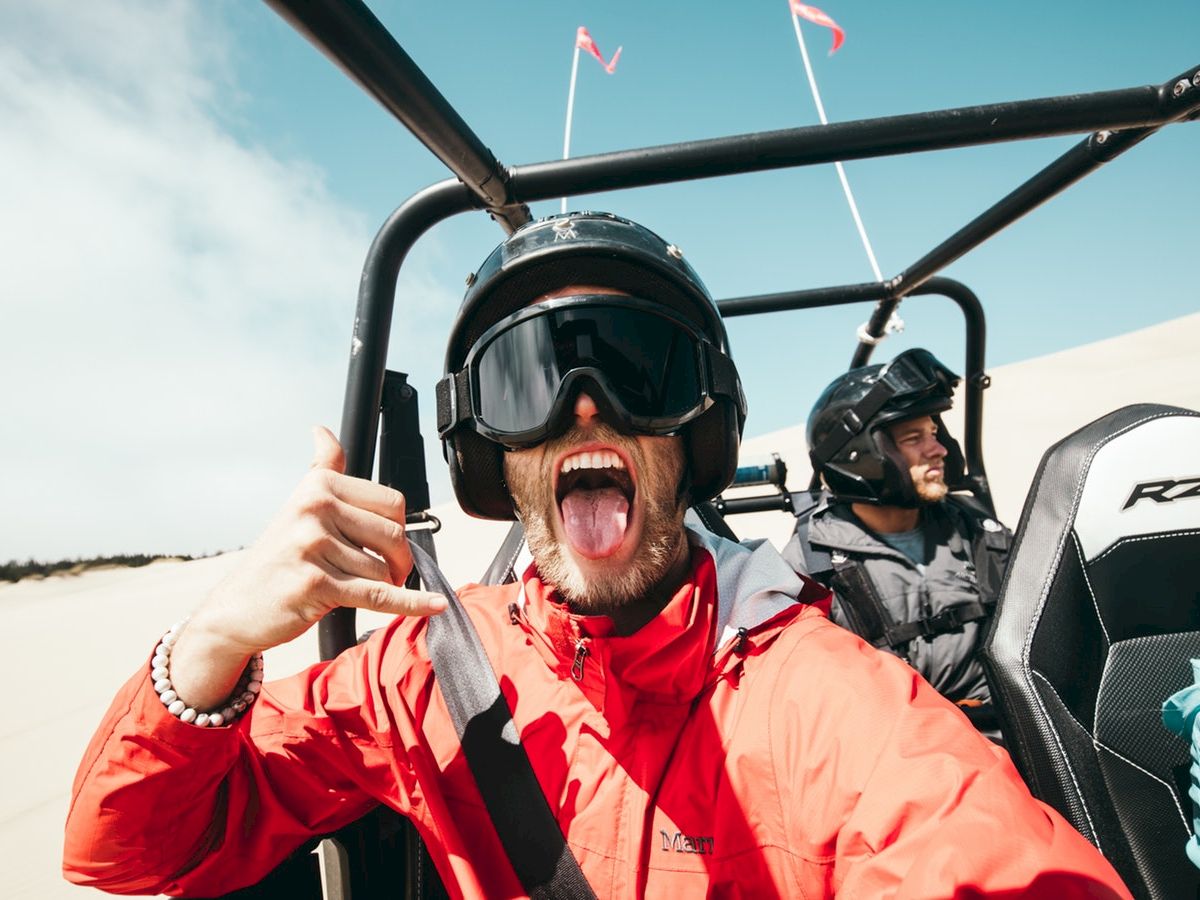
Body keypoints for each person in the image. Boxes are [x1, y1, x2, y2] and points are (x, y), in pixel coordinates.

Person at [64, 213, 1127, 898]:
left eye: (636, 369)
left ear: (692, 434)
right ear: (491, 454)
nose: (584, 408)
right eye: (529, 381)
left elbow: (974, 855)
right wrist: (211, 643)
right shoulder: (424, 669)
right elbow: (130, 849)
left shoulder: (814, 696)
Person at [782, 349, 1011, 737]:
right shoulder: (812, 566)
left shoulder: (979, 531)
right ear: (864, 457)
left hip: (1006, 738)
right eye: (913, 438)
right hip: (892, 754)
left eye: (935, 434)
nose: (937, 449)